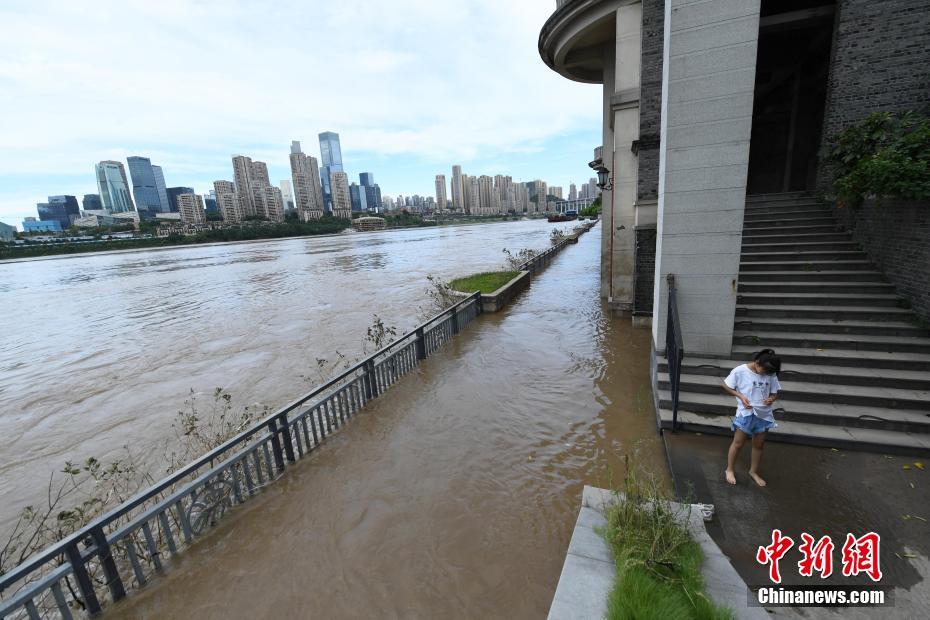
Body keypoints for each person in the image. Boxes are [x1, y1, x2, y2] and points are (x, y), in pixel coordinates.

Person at [722, 349, 782, 487]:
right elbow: (725, 385)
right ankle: (729, 469)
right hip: (746, 413)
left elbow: (775, 393)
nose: (766, 374)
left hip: (764, 414)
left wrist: (772, 398)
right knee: (738, 443)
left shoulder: (770, 373)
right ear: (757, 362)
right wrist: (740, 396)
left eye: (769, 372)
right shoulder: (740, 371)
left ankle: (753, 471)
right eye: (764, 370)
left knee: (759, 444)